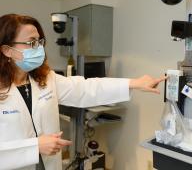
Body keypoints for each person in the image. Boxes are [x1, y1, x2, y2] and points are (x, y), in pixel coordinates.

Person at [0, 14, 166, 170]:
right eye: (31, 43)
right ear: (7, 50)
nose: (39, 49)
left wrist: (133, 83)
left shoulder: (45, 78)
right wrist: (33, 147)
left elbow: (85, 89)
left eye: (40, 42)